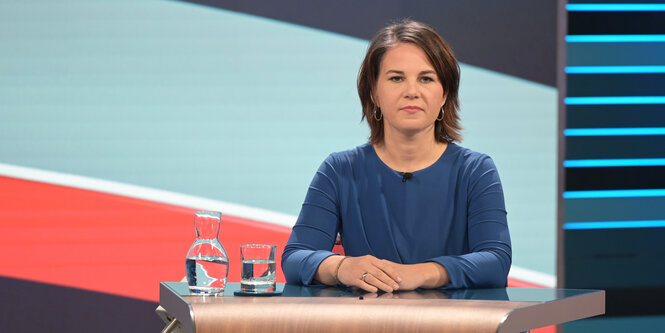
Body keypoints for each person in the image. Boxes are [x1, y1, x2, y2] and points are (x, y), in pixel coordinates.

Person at [282, 19, 511, 293]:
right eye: (396, 78)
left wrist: (419, 274)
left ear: (445, 94)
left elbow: (496, 261)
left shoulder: (475, 170)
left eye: (426, 79)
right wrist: (342, 267)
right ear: (374, 93)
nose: (412, 92)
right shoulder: (339, 170)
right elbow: (295, 258)